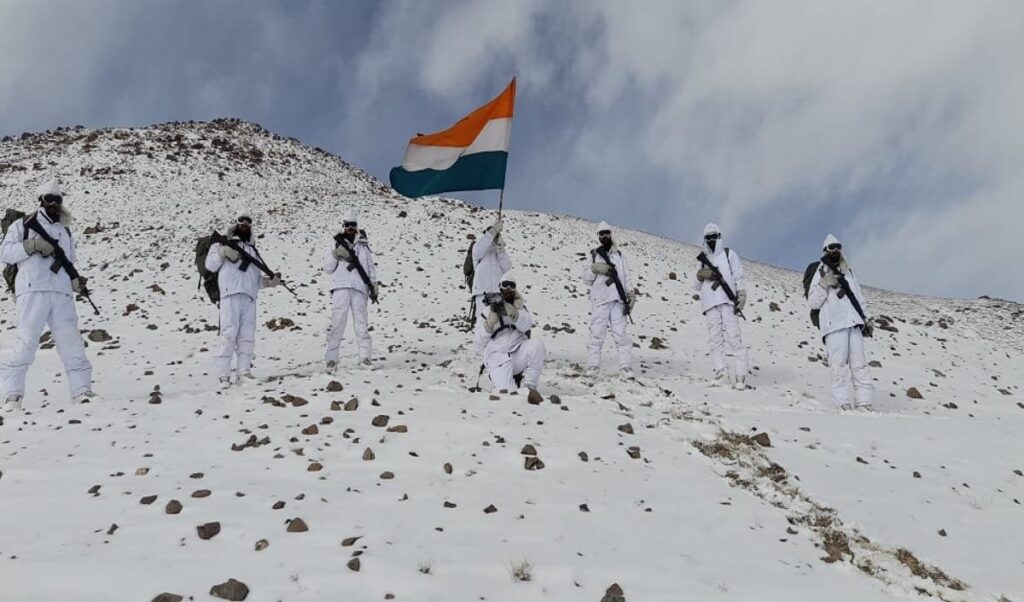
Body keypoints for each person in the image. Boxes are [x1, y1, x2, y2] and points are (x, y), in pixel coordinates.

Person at [0, 180, 95, 410]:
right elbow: (4, 252)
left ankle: (82, 391)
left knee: (72, 343)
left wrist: (75, 282)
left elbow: (68, 261)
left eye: (57, 200)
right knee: (26, 342)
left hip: (61, 293)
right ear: (41, 200)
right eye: (49, 199)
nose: (53, 204)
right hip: (32, 290)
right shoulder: (23, 225)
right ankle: (12, 395)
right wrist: (31, 245)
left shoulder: (65, 230)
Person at [205, 213, 281, 388]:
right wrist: (222, 252)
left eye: (248, 222)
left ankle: (244, 372)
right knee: (228, 334)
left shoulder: (252, 249)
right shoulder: (221, 243)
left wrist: (269, 282)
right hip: (229, 294)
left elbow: (254, 279)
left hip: (249, 297)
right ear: (236, 223)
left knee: (247, 336)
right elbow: (210, 265)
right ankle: (223, 375)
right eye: (242, 221)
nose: (245, 224)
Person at [807, 234, 874, 411]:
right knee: (838, 366)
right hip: (834, 325)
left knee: (860, 364)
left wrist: (867, 318)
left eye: (838, 247)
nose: (835, 250)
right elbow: (813, 302)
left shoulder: (848, 272)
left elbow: (858, 296)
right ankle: (842, 402)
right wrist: (824, 284)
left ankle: (864, 402)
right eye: (831, 247)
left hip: (853, 322)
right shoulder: (820, 272)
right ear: (825, 250)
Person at [694, 222, 749, 390]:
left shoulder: (729, 254)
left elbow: (738, 276)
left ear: (719, 237)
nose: (711, 240)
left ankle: (740, 375)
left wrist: (741, 295)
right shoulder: (703, 259)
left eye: (714, 237)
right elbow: (696, 285)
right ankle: (721, 372)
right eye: (708, 238)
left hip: (727, 301)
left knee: (734, 337)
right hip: (710, 303)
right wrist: (702, 274)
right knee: (715, 340)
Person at [324, 210, 378, 372]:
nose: (349, 228)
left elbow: (369, 267)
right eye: (347, 225)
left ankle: (365, 358)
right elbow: (327, 268)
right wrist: (335, 254)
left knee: (362, 324)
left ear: (356, 226)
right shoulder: (335, 243)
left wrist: (373, 285)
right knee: (337, 324)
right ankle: (331, 360)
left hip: (360, 288)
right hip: (340, 287)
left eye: (352, 225)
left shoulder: (363, 246)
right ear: (343, 226)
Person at [581, 221, 635, 376]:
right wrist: (595, 268)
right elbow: (586, 279)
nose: (605, 236)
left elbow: (626, 277)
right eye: (601, 233)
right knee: (597, 334)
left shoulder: (619, 256)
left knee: (621, 334)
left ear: (611, 234)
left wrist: (631, 294)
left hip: (618, 300)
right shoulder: (593, 255)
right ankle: (593, 366)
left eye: (607, 233)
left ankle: (625, 367)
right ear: (598, 236)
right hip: (600, 300)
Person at [482, 272, 545, 403]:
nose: (508, 289)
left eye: (512, 286)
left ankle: (529, 388)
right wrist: (488, 325)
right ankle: (506, 382)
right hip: (497, 358)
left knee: (537, 345)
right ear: (500, 287)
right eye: (505, 286)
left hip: (517, 353)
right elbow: (479, 340)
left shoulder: (521, 308)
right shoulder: (488, 310)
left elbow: (527, 325)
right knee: (507, 394)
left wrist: (515, 314)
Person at [470, 217, 512, 356]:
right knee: (483, 320)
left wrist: (500, 249)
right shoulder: (479, 250)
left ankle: (495, 350)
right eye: (490, 236)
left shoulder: (497, 253)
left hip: (497, 293)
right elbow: (478, 250)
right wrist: (493, 231)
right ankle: (479, 351)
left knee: (497, 322)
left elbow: (507, 268)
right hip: (482, 292)